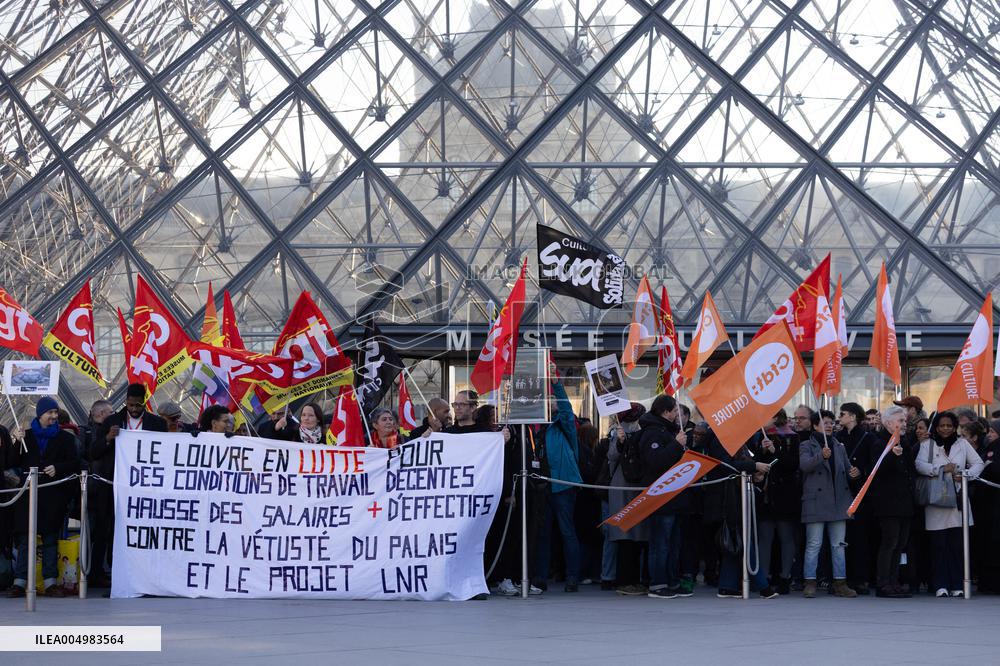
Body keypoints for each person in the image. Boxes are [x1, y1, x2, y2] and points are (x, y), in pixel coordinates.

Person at [92, 383, 167, 590]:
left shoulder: (156, 423)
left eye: (138, 405)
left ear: (145, 402)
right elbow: (93, 452)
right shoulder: (111, 421)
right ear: (125, 401)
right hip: (113, 486)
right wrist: (108, 438)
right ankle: (101, 573)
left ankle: (143, 573)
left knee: (140, 529)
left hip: (144, 488)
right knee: (106, 529)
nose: (134, 409)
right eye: (131, 405)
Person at [7, 397, 80, 598]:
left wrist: (58, 468)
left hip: (52, 495)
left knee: (49, 538)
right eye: (50, 413)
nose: (54, 417)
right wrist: (17, 442)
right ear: (40, 415)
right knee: (24, 539)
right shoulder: (26, 437)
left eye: (56, 413)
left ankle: (50, 582)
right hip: (27, 495)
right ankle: (20, 582)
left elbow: (75, 462)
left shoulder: (65, 438)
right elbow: (12, 461)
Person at [916, 411, 984, 597]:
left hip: (958, 500)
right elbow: (919, 465)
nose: (945, 429)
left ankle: (957, 584)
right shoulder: (928, 444)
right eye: (941, 425)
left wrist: (965, 475)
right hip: (936, 500)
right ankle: (940, 585)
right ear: (936, 427)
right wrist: (939, 469)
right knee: (938, 546)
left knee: (957, 545)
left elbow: (979, 463)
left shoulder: (962, 444)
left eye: (949, 425)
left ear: (955, 427)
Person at [533, 362, 582, 593]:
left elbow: (564, 409)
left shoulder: (564, 426)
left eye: (551, 399)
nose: (548, 402)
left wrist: (556, 383)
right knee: (542, 535)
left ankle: (573, 576)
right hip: (541, 487)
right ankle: (540, 577)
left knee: (567, 531)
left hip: (562, 486)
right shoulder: (534, 428)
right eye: (546, 399)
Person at [800, 410, 857, 598]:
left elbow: (848, 469)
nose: (830, 425)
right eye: (825, 422)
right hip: (816, 502)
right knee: (814, 544)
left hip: (839, 501)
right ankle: (810, 582)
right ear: (816, 425)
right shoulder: (806, 445)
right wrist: (821, 457)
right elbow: (805, 466)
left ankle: (840, 582)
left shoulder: (839, 446)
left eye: (832, 422)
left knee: (839, 544)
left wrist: (854, 473)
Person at [638, 395, 687, 599]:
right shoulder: (652, 433)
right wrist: (676, 445)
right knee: (661, 542)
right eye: (675, 411)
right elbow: (656, 461)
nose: (678, 415)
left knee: (673, 543)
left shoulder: (668, 431)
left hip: (674, 497)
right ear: (665, 412)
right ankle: (658, 583)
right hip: (660, 497)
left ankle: (672, 581)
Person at [866, 405, 915, 598]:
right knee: (890, 542)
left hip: (904, 501)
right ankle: (883, 582)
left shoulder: (904, 442)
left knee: (901, 543)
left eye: (904, 421)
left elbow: (910, 469)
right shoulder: (879, 443)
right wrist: (892, 457)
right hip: (887, 503)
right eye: (900, 421)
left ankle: (894, 580)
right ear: (888, 423)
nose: (904, 424)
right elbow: (876, 470)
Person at [752, 409, 800, 594]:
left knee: (786, 537)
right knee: (765, 538)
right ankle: (764, 579)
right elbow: (755, 462)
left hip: (785, 494)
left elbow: (793, 464)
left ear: (776, 418)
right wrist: (762, 451)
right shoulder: (759, 436)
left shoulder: (792, 437)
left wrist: (775, 450)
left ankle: (785, 577)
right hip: (766, 494)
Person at [606, 403, 648, 596]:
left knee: (637, 538)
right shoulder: (617, 435)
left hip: (635, 490)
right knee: (625, 538)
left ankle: (634, 580)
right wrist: (620, 441)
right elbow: (611, 457)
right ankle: (624, 581)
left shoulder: (641, 435)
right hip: (623, 490)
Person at [838, 402, 876, 595]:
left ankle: (861, 578)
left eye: (843, 414)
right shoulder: (838, 437)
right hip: (843, 493)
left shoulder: (868, 438)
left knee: (861, 538)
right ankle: (844, 578)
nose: (840, 417)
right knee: (843, 538)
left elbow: (875, 463)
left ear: (853, 416)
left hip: (862, 495)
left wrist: (861, 471)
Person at [976, 420, 1000, 593]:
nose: (989, 435)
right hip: (987, 504)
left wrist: (990, 467)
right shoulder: (988, 449)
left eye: (993, 431)